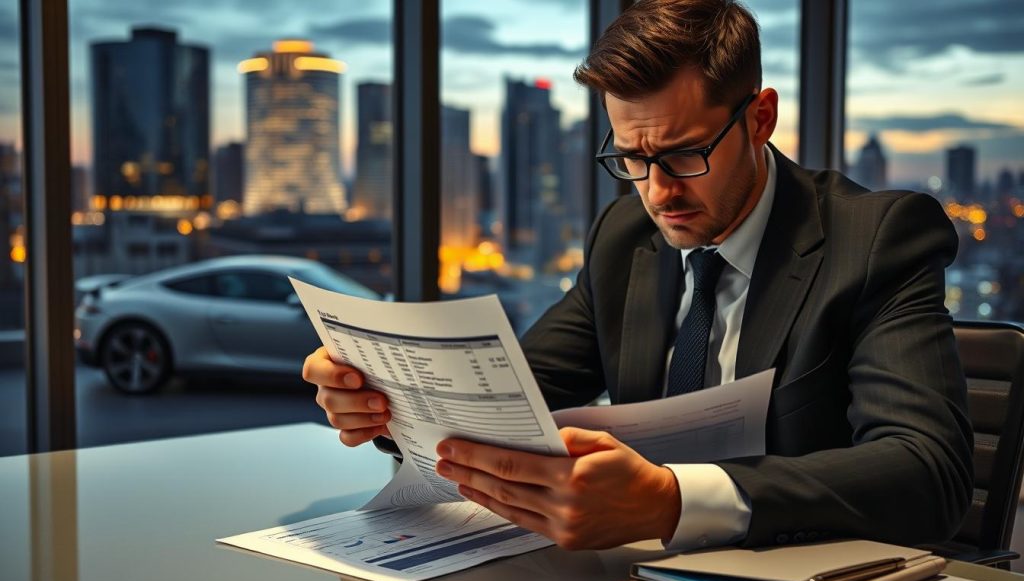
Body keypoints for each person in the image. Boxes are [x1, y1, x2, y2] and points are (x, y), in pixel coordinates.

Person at [303, 0, 973, 552]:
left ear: (760, 119)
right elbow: (510, 402)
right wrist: (385, 402)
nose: (657, 193)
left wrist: (672, 500)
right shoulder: (624, 238)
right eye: (632, 158)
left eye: (684, 154)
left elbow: (927, 472)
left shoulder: (877, 237)